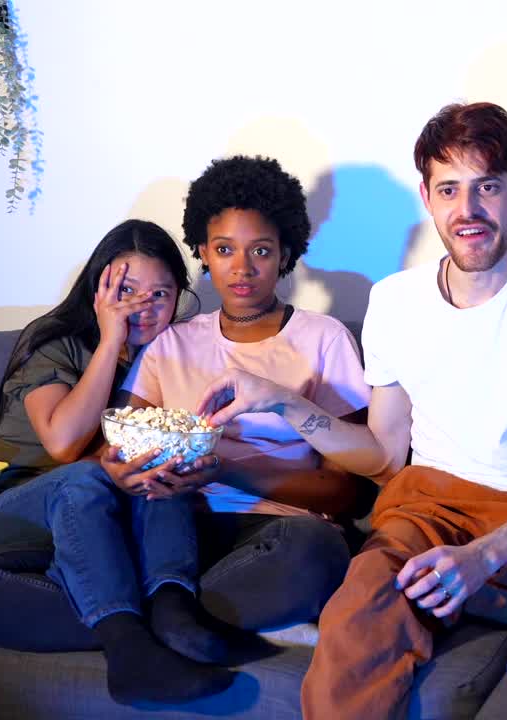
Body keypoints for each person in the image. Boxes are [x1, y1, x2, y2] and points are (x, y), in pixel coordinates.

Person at [192, 102, 507, 719]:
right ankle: (424, 585)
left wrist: (485, 557)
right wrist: (283, 402)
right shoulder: (395, 301)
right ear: (428, 197)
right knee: (360, 602)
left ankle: (431, 591)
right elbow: (383, 455)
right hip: (427, 508)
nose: (468, 211)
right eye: (450, 190)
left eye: (488, 187)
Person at [0, 219, 237, 706]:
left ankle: (173, 615)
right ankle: (129, 651)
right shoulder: (53, 342)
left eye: (161, 294)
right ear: (99, 289)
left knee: (154, 473)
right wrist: (109, 338)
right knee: (85, 477)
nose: (143, 306)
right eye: (126, 291)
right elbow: (62, 443)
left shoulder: (169, 354)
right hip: (4, 515)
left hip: (85, 533)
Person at [118, 154, 368, 635]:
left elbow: (348, 492)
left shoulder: (324, 339)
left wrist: (227, 468)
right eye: (225, 249)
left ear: (285, 255)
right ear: (203, 253)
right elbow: (126, 448)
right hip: (176, 526)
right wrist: (122, 469)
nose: (243, 269)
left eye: (261, 251)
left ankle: (155, 620)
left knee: (317, 550)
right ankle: (191, 621)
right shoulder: (172, 341)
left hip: (277, 530)